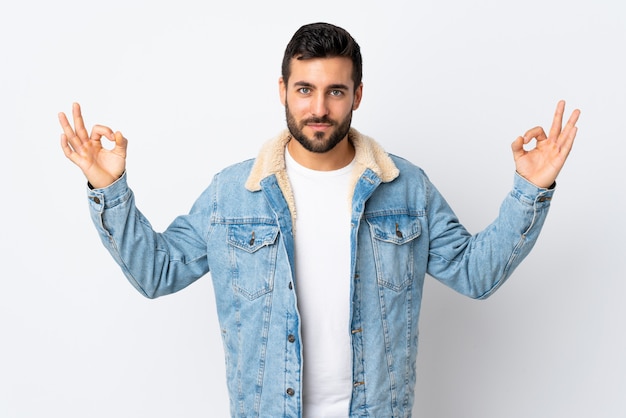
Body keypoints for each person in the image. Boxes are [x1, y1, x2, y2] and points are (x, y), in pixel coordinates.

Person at [59, 22, 580, 418]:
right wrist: (109, 188)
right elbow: (157, 272)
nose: (319, 108)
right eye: (305, 89)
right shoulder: (231, 195)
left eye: (335, 91)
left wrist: (532, 189)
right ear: (282, 91)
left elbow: (475, 274)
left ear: (357, 95)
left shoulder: (407, 188)